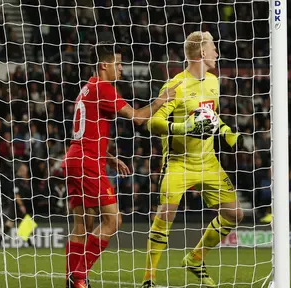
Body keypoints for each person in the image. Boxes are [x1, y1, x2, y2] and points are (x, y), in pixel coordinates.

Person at [63, 41, 180, 288]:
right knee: (113, 221)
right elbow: (137, 117)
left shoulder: (87, 88)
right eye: (118, 64)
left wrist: (109, 157)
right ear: (104, 65)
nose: (122, 69)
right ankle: (78, 277)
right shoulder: (104, 88)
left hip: (75, 158)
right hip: (87, 162)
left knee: (83, 224)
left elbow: (89, 130)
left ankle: (72, 279)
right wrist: (162, 99)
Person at [141, 31, 244, 288]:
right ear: (201, 54)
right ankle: (149, 278)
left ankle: (195, 259)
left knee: (234, 214)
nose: (217, 54)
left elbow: (209, 116)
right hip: (179, 162)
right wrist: (183, 128)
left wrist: (225, 130)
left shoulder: (213, 82)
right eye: (213, 49)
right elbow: (151, 122)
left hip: (208, 161)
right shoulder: (175, 86)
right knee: (166, 213)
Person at [0, 163, 33, 248]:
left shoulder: (23, 180)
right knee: (24, 222)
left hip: (18, 205)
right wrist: (21, 205)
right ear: (21, 170)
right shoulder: (17, 180)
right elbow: (16, 194)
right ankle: (30, 244)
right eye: (25, 170)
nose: (26, 172)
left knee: (11, 224)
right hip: (15, 205)